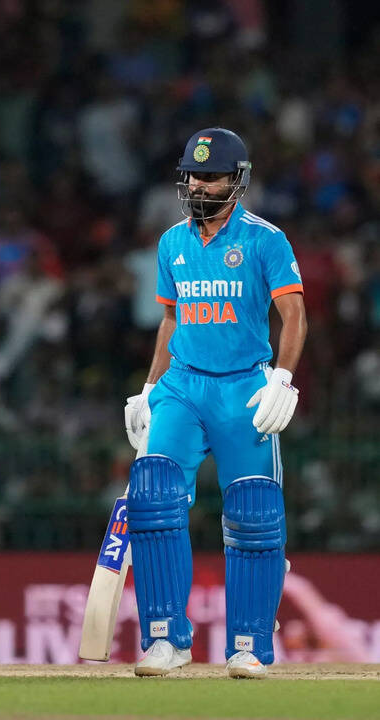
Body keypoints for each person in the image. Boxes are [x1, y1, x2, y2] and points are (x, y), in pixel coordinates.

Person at [122, 128, 307, 679]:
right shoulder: (171, 243)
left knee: (254, 512)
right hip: (182, 384)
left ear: (237, 180)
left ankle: (248, 644)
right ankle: (165, 639)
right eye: (193, 176)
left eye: (211, 176)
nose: (199, 186)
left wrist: (283, 379)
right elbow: (171, 318)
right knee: (153, 494)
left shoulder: (265, 240)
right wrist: (149, 388)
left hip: (243, 387)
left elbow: (294, 315)